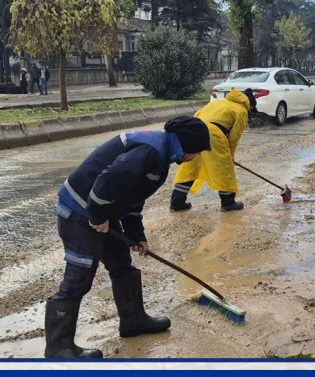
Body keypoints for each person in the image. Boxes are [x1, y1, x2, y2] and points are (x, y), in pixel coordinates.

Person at [45, 116, 211, 358]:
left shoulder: (160, 156)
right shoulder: (150, 152)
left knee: (122, 264)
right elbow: (105, 182)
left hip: (101, 211)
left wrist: (136, 236)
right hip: (79, 212)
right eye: (196, 151)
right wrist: (98, 218)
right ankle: (58, 348)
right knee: (79, 276)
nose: (194, 157)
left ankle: (133, 321)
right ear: (186, 144)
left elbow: (132, 200)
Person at [170, 88, 257, 212]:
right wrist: (230, 156)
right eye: (252, 109)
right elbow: (233, 138)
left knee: (190, 167)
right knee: (224, 168)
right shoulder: (242, 110)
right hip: (214, 133)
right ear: (250, 105)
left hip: (195, 129)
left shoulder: (218, 102)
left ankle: (176, 202)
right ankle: (228, 203)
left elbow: (197, 115)